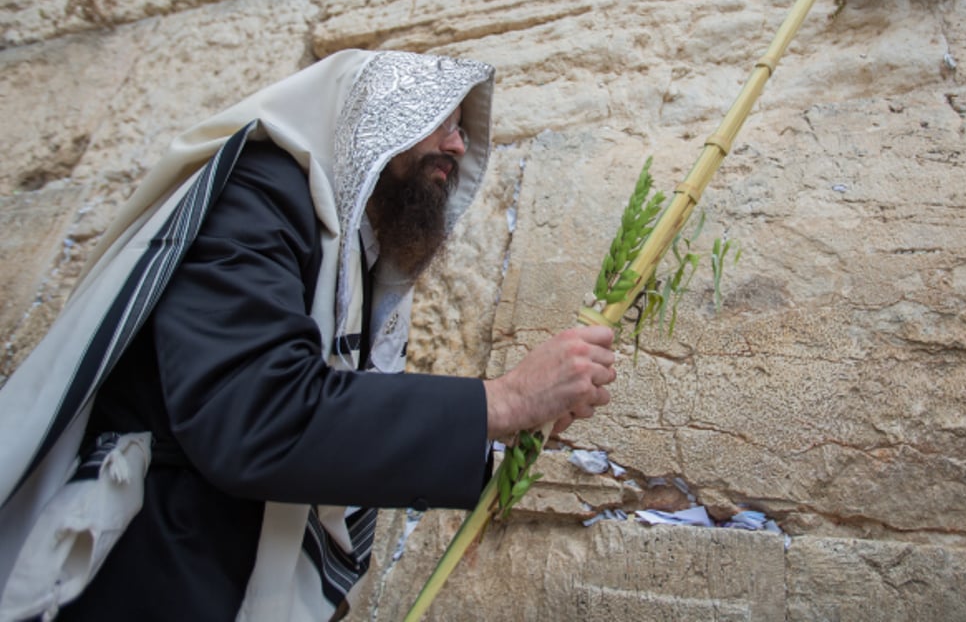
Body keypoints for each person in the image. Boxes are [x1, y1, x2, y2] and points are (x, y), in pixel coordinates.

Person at [0, 50, 617, 621]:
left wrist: (505, 434)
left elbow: (326, 422)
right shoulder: (256, 195)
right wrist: (502, 400)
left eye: (461, 127)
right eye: (440, 119)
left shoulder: (349, 252)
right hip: (147, 571)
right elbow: (254, 413)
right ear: (375, 116)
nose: (457, 144)